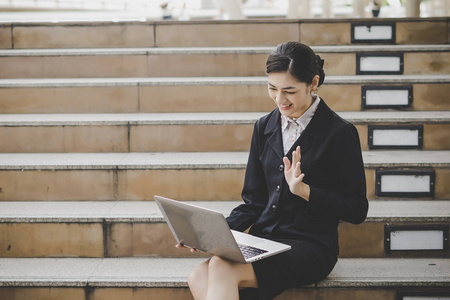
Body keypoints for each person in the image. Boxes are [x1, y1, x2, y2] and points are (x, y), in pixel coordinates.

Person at [177, 41, 369, 300]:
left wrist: (305, 191)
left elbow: (357, 210)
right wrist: (207, 236)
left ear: (313, 83)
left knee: (219, 268)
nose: (280, 99)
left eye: (289, 90)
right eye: (272, 88)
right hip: (263, 241)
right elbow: (253, 202)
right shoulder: (264, 126)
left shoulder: (340, 133)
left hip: (310, 246)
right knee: (198, 275)